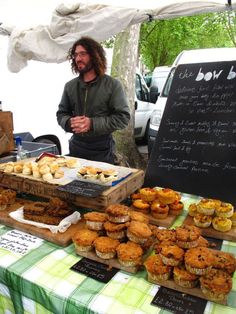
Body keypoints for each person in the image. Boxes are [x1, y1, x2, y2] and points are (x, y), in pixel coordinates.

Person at [56, 36, 130, 164]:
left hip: (102, 150)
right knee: (75, 183)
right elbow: (61, 114)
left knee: (102, 184)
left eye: (83, 54)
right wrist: (69, 122)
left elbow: (123, 118)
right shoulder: (70, 86)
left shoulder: (112, 85)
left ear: (95, 55)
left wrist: (92, 124)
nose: (78, 58)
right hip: (76, 148)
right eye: (76, 55)